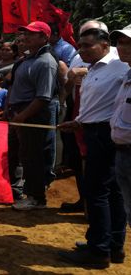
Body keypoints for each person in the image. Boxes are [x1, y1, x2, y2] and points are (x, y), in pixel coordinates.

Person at [58, 28, 129, 268]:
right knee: (111, 193)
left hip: (105, 136)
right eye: (80, 45)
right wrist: (78, 122)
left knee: (97, 192)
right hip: (92, 131)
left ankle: (99, 250)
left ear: (104, 45)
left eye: (87, 45)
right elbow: (102, 104)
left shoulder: (121, 67)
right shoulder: (94, 69)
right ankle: (111, 245)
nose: (81, 49)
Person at [8, 21, 58, 211]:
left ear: (44, 38)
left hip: (33, 115)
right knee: (23, 154)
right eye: (25, 33)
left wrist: (22, 116)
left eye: (32, 34)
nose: (25, 37)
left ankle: (36, 198)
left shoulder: (46, 63)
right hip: (20, 113)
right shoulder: (27, 59)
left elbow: (43, 97)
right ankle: (27, 192)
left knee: (33, 155)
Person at [109, 24, 131, 227]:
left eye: (128, 43)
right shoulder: (127, 76)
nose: (122, 47)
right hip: (122, 152)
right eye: (120, 42)